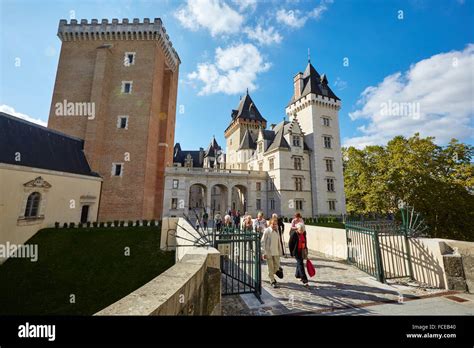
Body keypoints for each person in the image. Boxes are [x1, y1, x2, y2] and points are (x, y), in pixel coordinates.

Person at [261, 217, 283, 288]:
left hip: (276, 251)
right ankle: (272, 280)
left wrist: (280, 251)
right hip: (269, 252)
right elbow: (263, 242)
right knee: (270, 267)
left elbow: (278, 242)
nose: (274, 225)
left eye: (275, 224)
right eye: (273, 224)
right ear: (270, 224)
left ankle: (272, 274)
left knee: (277, 267)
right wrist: (264, 252)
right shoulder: (267, 231)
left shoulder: (277, 231)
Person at [289, 222, 309, 288]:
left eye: (303, 230)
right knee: (301, 265)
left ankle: (297, 275)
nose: (301, 232)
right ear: (297, 229)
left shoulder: (304, 233)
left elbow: (305, 241)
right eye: (300, 230)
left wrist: (306, 250)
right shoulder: (294, 234)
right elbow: (290, 244)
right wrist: (291, 253)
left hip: (302, 251)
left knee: (299, 263)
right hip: (296, 251)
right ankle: (305, 280)